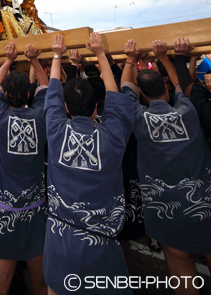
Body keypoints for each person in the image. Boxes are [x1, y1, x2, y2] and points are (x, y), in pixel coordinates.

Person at [43, 33, 133, 295]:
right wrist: (101, 54)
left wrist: (57, 55)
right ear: (96, 109)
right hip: (102, 249)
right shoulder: (112, 136)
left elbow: (51, 95)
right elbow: (116, 103)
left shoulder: (56, 131)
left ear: (66, 109)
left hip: (60, 244)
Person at [121, 39, 211, 295]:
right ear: (166, 89)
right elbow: (182, 85)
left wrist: (129, 60)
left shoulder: (140, 118)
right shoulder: (188, 111)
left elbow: (125, 88)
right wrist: (166, 57)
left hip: (166, 211)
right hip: (203, 204)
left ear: (142, 93)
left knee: (181, 266)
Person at [0, 41, 49, 295]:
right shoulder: (41, 115)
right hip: (36, 214)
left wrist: (8, 60)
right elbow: (46, 87)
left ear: (6, 97)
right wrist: (33, 60)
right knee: (41, 285)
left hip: (3, 213)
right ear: (28, 96)